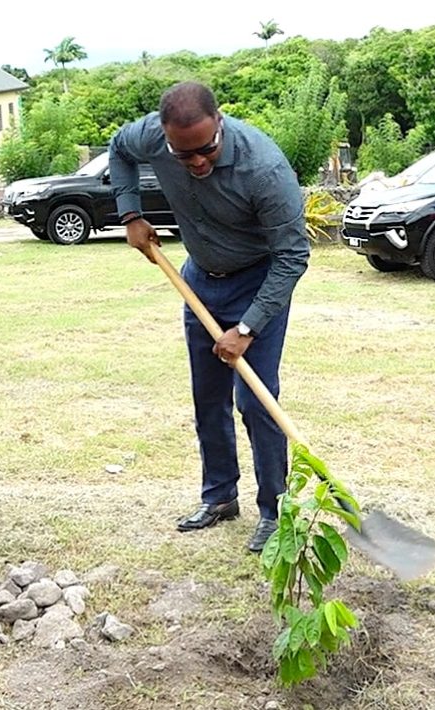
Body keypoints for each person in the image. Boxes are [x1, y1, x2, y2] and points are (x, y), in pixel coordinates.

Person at [108, 82, 310, 553]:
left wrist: (247, 327)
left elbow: (292, 256)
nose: (197, 162)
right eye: (183, 155)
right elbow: (119, 148)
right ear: (165, 137)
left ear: (220, 122)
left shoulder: (264, 168)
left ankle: (274, 511)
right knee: (208, 398)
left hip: (257, 283)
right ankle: (219, 496)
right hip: (199, 279)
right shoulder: (152, 136)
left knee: (257, 403)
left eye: (207, 149)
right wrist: (130, 214)